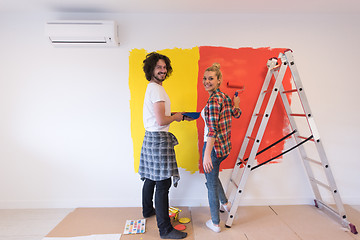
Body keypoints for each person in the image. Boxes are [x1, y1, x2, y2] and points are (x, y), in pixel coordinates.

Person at [138, 52, 191, 239]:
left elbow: (158, 117)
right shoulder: (157, 90)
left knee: (151, 178)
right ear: (151, 69)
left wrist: (175, 114)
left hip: (150, 138)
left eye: (164, 67)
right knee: (162, 183)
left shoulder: (152, 88)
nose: (163, 70)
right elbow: (161, 120)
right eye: (159, 67)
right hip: (158, 139)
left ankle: (147, 211)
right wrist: (176, 117)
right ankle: (165, 230)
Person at [201, 63, 241, 233]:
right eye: (205, 78)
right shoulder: (223, 97)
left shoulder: (212, 102)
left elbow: (212, 130)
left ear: (219, 80)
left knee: (210, 184)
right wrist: (237, 103)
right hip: (225, 147)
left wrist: (207, 155)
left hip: (213, 147)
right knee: (213, 176)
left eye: (211, 78)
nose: (207, 81)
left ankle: (215, 223)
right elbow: (236, 113)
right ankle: (225, 203)